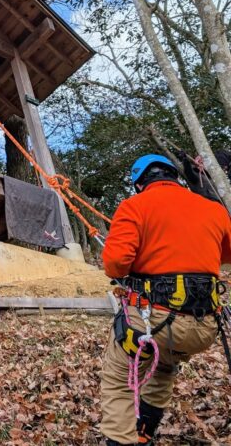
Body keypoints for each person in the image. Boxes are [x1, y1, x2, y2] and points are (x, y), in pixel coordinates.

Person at [100, 154, 231, 446]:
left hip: (152, 322)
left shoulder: (134, 206)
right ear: (174, 176)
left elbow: (115, 263)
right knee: (164, 368)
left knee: (119, 381)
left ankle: (122, 440)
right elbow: (225, 254)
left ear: (139, 182)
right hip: (204, 327)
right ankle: (144, 431)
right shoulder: (214, 210)